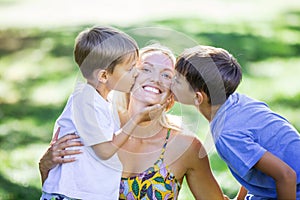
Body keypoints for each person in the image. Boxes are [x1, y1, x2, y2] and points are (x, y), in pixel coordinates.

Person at [39, 44, 227, 199]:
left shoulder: (186, 146)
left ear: (172, 94)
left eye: (167, 75)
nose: (155, 79)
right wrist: (45, 164)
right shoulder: (98, 125)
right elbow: (61, 190)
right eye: (145, 69)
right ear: (127, 78)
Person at [40, 26, 163, 200]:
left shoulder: (105, 101)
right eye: (130, 69)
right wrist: (136, 120)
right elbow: (104, 151)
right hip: (69, 194)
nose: (136, 73)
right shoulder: (84, 100)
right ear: (104, 76)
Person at [171, 45, 300, 200]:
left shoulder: (227, 133)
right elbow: (250, 162)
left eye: (177, 81)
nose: (170, 81)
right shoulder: (236, 102)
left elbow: (287, 176)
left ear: (198, 98)